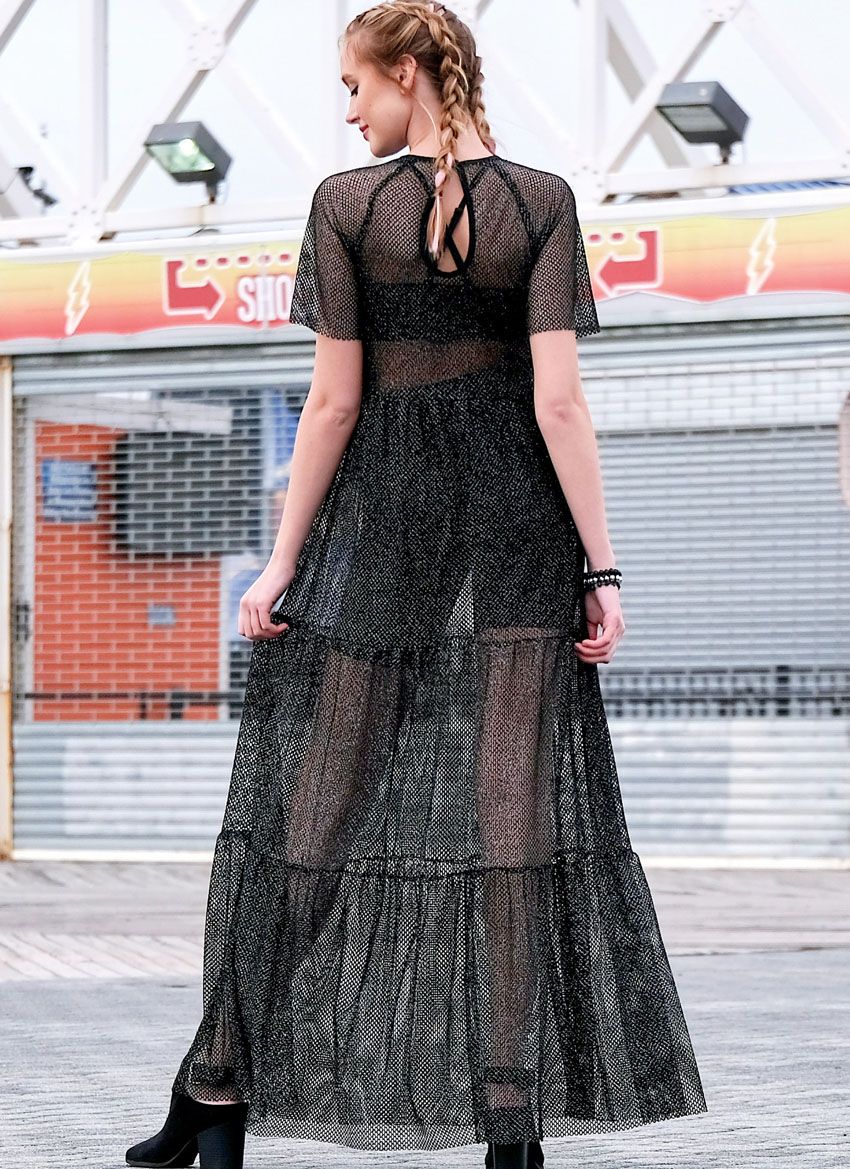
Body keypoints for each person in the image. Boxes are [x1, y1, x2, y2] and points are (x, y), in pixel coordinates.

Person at [125, 3, 708, 1168]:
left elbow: (333, 403)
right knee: (514, 823)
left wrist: (284, 559)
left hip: (386, 517)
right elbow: (558, 404)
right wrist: (601, 567)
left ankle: (218, 1087)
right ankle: (510, 1123)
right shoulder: (541, 203)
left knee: (314, 814)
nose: (348, 111)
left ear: (406, 73)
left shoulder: (347, 207)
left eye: (353, 86)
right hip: (518, 527)